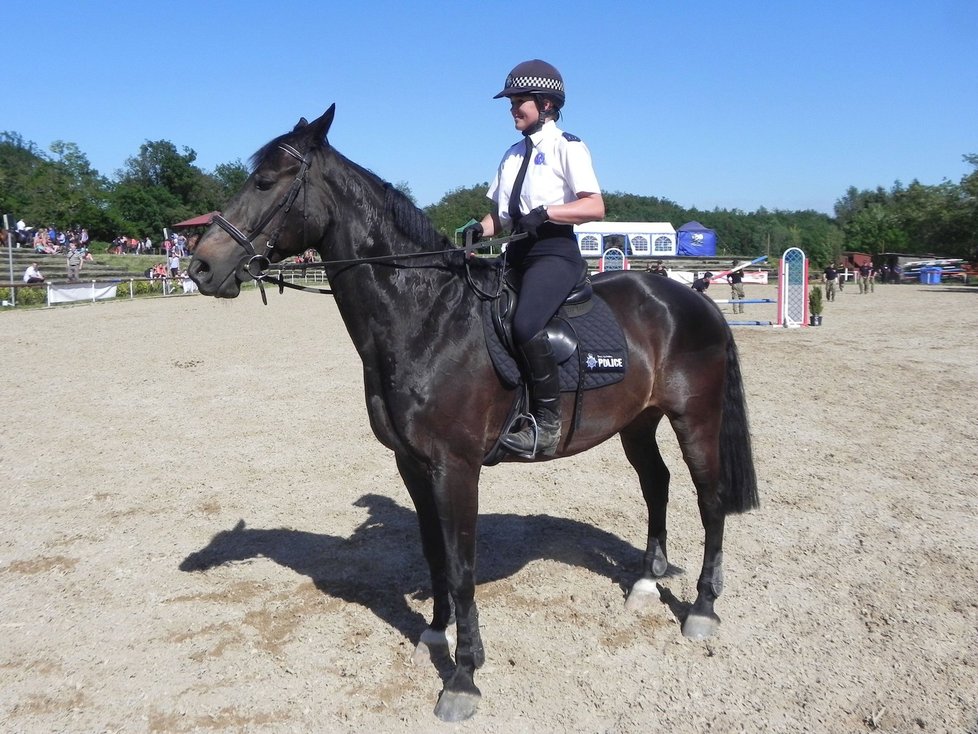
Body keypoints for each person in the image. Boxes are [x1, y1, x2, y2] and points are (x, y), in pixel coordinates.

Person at [462, 59, 605, 459]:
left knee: (525, 324)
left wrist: (550, 212)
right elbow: (503, 217)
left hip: (554, 252)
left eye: (518, 101)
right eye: (510, 102)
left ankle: (546, 423)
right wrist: (478, 230)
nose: (512, 109)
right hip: (518, 252)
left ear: (545, 103)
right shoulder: (510, 154)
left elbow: (594, 206)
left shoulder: (568, 147)